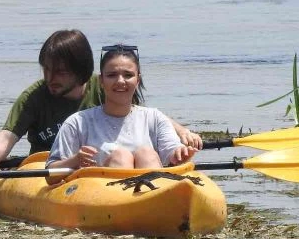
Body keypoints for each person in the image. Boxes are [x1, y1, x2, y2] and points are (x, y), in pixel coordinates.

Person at [0, 30, 201, 172]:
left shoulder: (108, 85)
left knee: (143, 154)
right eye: (46, 70)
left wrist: (180, 133)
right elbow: (4, 140)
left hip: (110, 165)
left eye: (60, 72)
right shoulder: (36, 98)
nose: (50, 78)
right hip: (58, 167)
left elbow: (141, 115)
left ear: (82, 73)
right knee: (121, 157)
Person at [45, 44, 198, 181]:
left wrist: (180, 154)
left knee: (147, 154)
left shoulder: (155, 118)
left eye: (128, 75)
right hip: (102, 198)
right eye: (112, 75)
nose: (120, 81)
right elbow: (50, 176)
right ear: (101, 81)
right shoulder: (77, 122)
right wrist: (75, 160)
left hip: (152, 195)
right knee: (121, 156)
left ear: (138, 80)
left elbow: (171, 150)